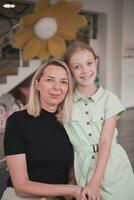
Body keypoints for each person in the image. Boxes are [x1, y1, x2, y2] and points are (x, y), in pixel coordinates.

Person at [2, 59, 82, 200]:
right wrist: (69, 190)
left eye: (63, 82)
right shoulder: (17, 121)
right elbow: (21, 186)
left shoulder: (70, 122)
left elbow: (72, 169)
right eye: (50, 80)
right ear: (37, 84)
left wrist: (68, 191)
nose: (57, 87)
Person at [64, 41, 134, 200]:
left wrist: (94, 183)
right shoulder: (65, 102)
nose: (85, 71)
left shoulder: (110, 99)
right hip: (82, 165)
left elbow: (106, 140)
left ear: (96, 62)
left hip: (112, 164)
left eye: (89, 63)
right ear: (70, 71)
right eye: (77, 66)